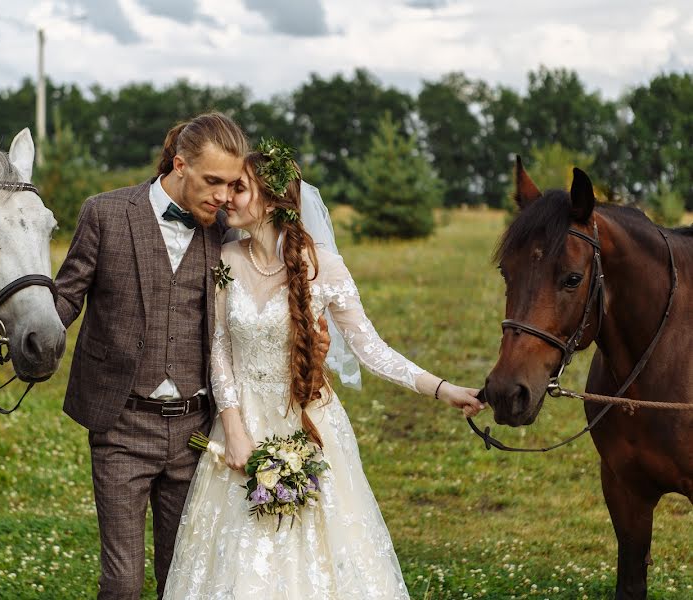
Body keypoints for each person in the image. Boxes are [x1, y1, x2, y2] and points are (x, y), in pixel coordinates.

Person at [163, 141, 485, 599]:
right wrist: (233, 427)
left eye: (240, 188)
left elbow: (371, 348)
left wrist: (442, 389)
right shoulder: (225, 260)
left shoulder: (325, 267)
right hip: (243, 425)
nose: (226, 199)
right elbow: (219, 353)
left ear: (273, 201)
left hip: (310, 423)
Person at [53, 112, 250, 599]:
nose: (224, 196)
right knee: (122, 582)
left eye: (231, 184)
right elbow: (66, 297)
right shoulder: (105, 213)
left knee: (181, 576)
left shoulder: (226, 233)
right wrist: (27, 331)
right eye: (213, 182)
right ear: (179, 165)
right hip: (121, 424)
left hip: (197, 431)